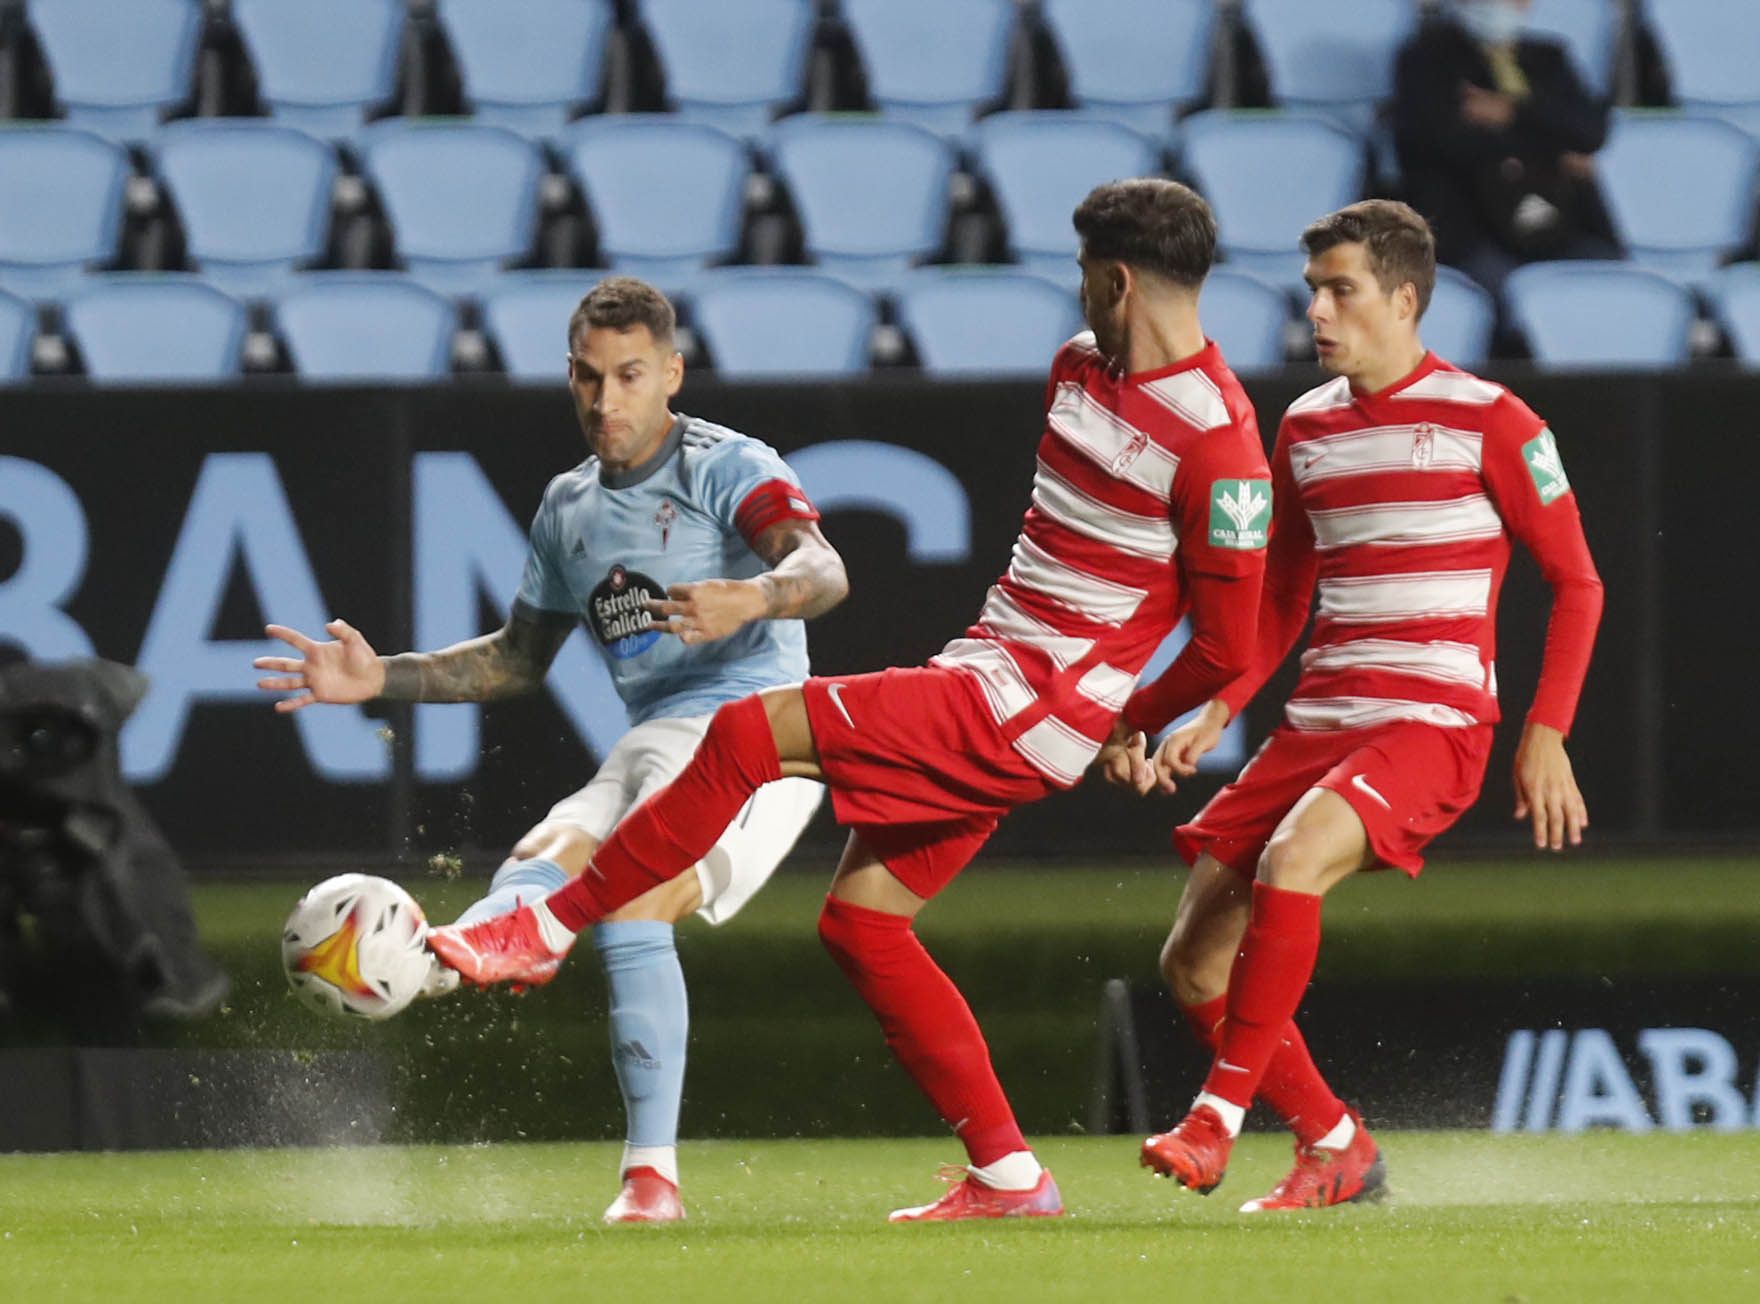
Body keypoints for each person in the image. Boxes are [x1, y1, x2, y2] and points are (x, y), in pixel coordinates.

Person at [427, 178, 1275, 1223]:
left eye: (1082, 277)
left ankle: (545, 926)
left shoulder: (1221, 444)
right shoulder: (1076, 367)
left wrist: (1122, 714)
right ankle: (1010, 1174)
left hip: (1026, 703)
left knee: (747, 729)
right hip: (991, 671)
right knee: (863, 922)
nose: (1079, 297)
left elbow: (1229, 644)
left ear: (1114, 277)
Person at [251, 276, 848, 1225]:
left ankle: (649, 1174)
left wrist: (758, 595)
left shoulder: (727, 465)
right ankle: (454, 956)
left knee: (627, 894)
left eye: (629, 375)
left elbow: (822, 567)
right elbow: (516, 661)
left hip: (763, 736)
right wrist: (383, 679)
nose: (606, 400)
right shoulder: (569, 508)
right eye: (587, 376)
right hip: (657, 740)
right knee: (543, 854)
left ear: (672, 375)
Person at [1125, 200, 1603, 1211]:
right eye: (1311, 290)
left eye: (1339, 289)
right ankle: (1337, 1144)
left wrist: (1545, 730)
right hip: (1315, 727)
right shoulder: (1304, 427)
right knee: (1190, 961)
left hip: (1429, 723)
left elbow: (1577, 582)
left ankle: (1214, 1117)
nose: (1317, 310)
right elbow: (1282, 597)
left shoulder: (1494, 419)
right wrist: (1222, 704)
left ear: (1403, 296)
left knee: (1294, 861)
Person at [1392, 0, 1620, 297]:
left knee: (1614, 285)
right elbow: (1442, 142)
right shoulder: (1426, 60)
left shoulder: (1549, 58)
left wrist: (1513, 111)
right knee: (1517, 296)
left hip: (1562, 221)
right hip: (1472, 229)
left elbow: (1590, 131)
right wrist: (1553, 151)